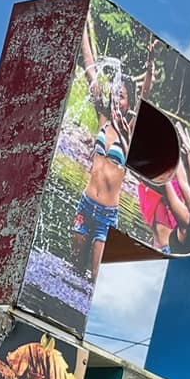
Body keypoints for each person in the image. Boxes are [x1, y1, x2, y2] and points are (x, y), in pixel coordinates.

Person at [69, 23, 155, 283]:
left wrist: (151, 62)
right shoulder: (103, 118)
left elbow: (146, 96)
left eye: (123, 96)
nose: (118, 99)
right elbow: (90, 68)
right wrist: (82, 31)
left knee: (94, 278)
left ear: (129, 102)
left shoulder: (131, 132)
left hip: (107, 217)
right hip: (86, 204)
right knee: (73, 271)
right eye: (116, 94)